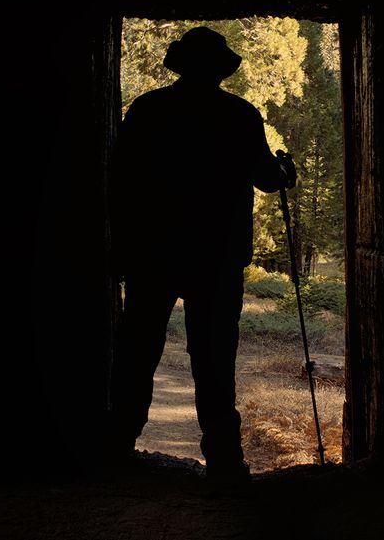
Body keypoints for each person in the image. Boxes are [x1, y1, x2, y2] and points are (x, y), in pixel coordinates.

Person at [108, 26, 297, 481]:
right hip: (217, 257)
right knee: (214, 357)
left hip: (153, 254)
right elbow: (268, 179)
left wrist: (121, 248)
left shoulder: (148, 109)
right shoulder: (240, 115)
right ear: (219, 70)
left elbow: (120, 179)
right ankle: (225, 462)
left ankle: (114, 447)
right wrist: (286, 171)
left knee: (137, 351)